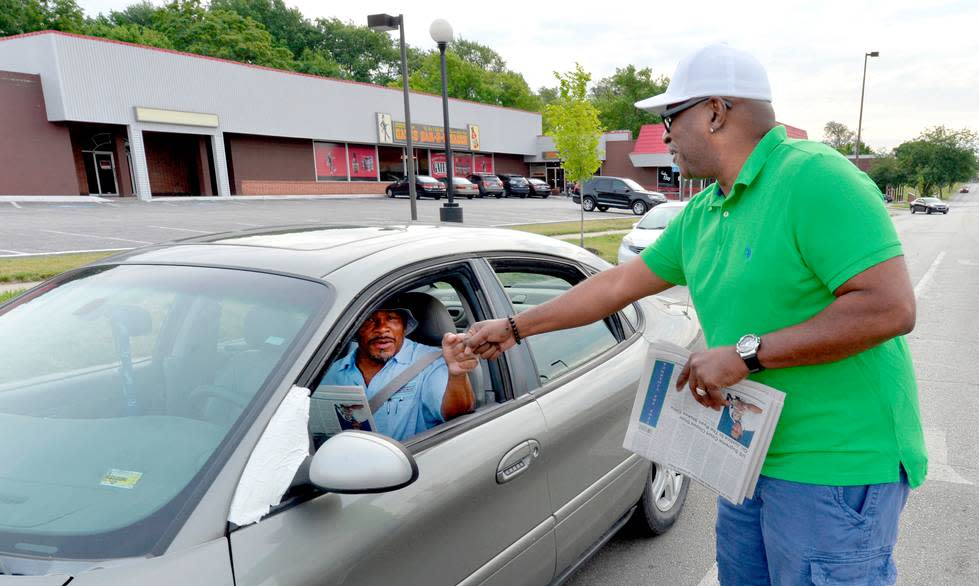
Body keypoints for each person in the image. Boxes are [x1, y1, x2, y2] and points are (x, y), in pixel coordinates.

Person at [464, 42, 926, 585]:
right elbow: (615, 285)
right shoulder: (705, 211)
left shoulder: (815, 177)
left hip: (834, 468)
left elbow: (890, 307)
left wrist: (745, 356)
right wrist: (515, 327)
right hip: (749, 459)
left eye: (669, 118)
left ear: (714, 112)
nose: (664, 136)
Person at [322, 301, 477, 442]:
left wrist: (457, 374)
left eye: (391, 318)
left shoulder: (432, 362)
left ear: (403, 327)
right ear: (355, 329)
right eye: (369, 319)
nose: (382, 328)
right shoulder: (330, 372)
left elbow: (457, 414)